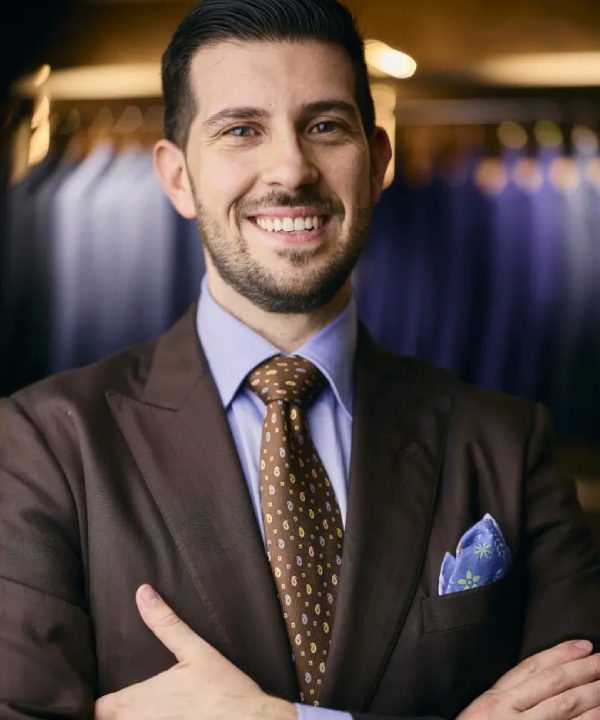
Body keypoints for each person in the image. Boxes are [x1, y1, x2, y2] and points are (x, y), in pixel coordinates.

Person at [0, 0, 598, 718]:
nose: (291, 167)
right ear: (178, 177)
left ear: (377, 161)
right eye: (241, 130)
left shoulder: (507, 443)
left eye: (324, 126)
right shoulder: (40, 445)